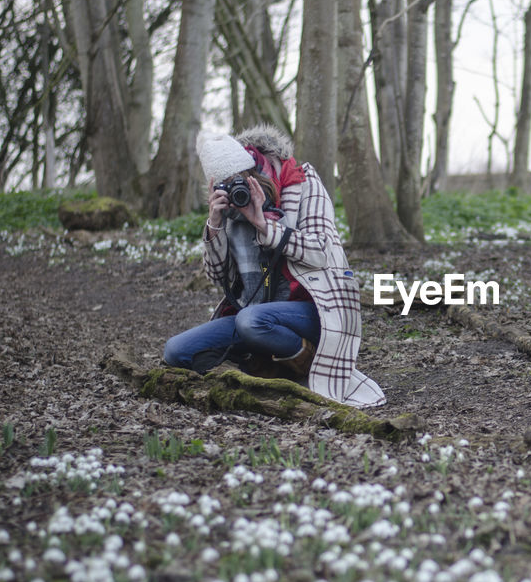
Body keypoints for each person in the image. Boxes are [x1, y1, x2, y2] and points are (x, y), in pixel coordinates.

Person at [163, 124, 386, 408]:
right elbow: (216, 275)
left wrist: (264, 226)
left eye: (240, 180)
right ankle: (265, 367)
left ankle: (302, 362)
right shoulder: (228, 212)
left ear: (253, 170)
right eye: (227, 186)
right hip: (253, 315)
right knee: (176, 352)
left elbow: (321, 252)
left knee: (251, 320)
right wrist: (215, 225)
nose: (237, 191)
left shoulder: (302, 182)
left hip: (313, 310)